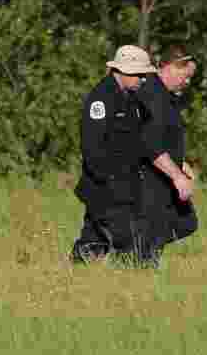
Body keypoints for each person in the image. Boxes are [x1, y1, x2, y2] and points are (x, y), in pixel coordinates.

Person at [70, 44, 160, 264]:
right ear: (123, 71)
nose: (143, 79)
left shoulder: (133, 100)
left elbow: (143, 142)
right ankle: (137, 282)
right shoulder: (101, 99)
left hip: (127, 186)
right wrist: (112, 186)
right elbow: (92, 149)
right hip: (107, 189)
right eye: (139, 74)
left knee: (93, 243)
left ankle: (73, 276)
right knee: (131, 243)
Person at [139, 43, 198, 253]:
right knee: (150, 237)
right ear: (172, 66)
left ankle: (139, 250)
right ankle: (132, 254)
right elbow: (151, 145)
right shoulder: (152, 94)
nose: (187, 82)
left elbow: (165, 139)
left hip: (164, 175)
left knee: (186, 222)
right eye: (186, 76)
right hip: (148, 178)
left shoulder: (166, 96)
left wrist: (181, 164)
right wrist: (177, 176)